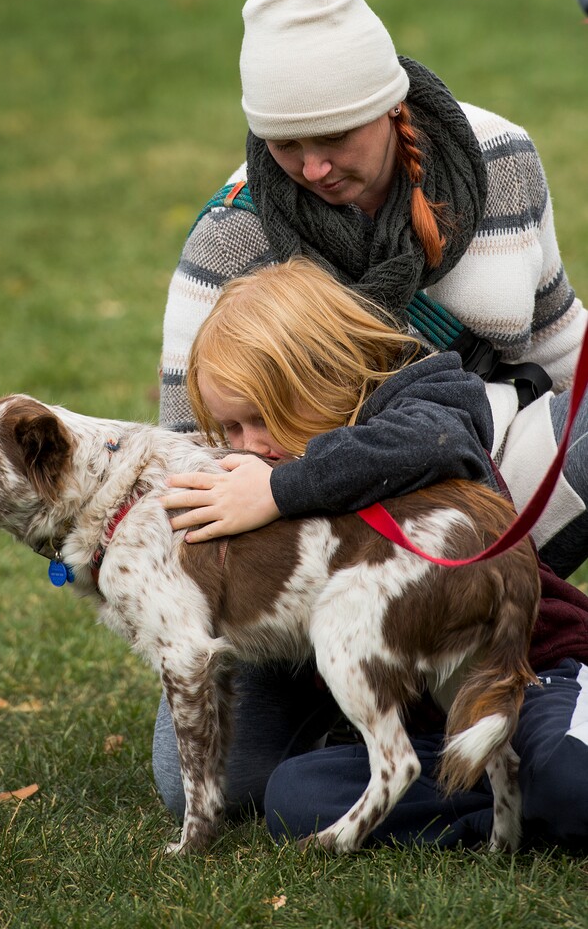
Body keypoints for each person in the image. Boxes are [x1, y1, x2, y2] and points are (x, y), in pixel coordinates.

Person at [158, 256, 588, 849]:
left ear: (323, 378)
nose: (249, 446)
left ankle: (536, 782)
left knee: (570, 776)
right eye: (231, 430)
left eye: (263, 418)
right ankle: (501, 799)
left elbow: (438, 441)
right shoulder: (259, 479)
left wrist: (280, 491)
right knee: (296, 798)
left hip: (522, 675)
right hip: (424, 721)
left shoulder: (426, 396)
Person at [160, 0, 588, 579]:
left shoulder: (501, 159)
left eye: (335, 136)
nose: (313, 169)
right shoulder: (232, 234)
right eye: (285, 145)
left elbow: (557, 343)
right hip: (325, 529)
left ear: (391, 105)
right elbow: (192, 446)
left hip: (497, 477)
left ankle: (509, 619)